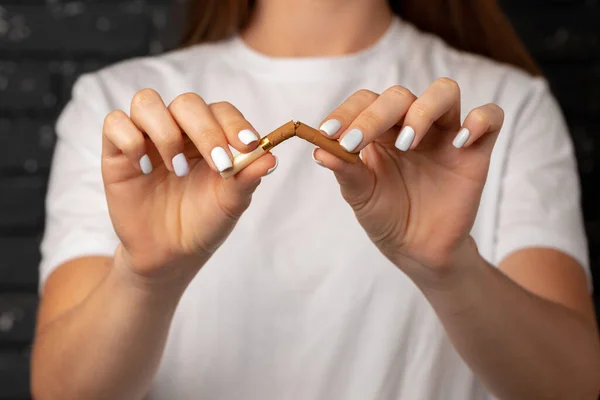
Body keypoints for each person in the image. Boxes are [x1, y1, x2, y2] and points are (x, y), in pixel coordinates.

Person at [31, 0, 600, 399]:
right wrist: (147, 276)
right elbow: (63, 392)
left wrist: (448, 266)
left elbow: (574, 387)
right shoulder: (124, 117)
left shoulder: (496, 111)